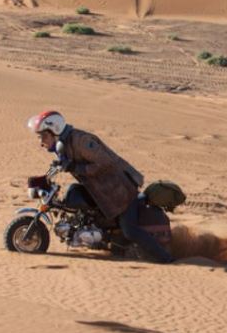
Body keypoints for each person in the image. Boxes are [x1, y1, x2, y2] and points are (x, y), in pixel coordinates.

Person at [27, 110, 173, 264]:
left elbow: (105, 162)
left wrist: (76, 167)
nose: (41, 142)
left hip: (119, 191)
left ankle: (165, 258)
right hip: (101, 190)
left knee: (130, 231)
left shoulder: (81, 141)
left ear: (55, 130)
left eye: (44, 136)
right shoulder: (63, 144)